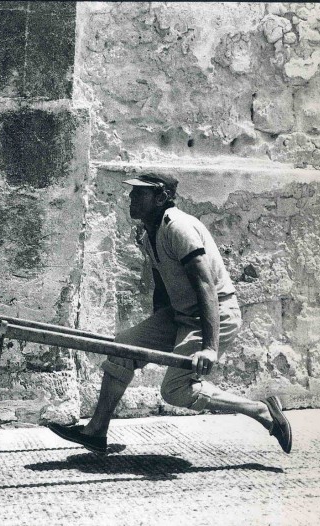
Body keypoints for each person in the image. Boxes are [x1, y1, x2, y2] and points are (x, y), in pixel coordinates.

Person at [48, 173, 292, 455]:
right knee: (122, 347)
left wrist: (209, 348)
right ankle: (95, 431)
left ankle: (261, 411)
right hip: (180, 315)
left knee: (175, 390)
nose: (131, 199)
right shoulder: (148, 231)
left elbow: (205, 286)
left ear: (161, 197)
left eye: (140, 194)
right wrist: (158, 327)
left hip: (215, 314)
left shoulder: (179, 227)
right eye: (132, 193)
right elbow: (161, 279)